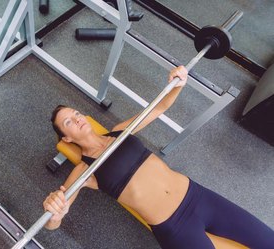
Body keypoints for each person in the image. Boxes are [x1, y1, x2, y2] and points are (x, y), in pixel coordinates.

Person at [43, 66, 274, 249]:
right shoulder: (84, 170)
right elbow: (55, 222)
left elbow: (159, 108)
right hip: (175, 227)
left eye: (76, 113)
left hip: (200, 198)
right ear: (66, 140)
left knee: (268, 240)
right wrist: (56, 212)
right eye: (68, 123)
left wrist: (178, 84)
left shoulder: (121, 131)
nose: (77, 118)